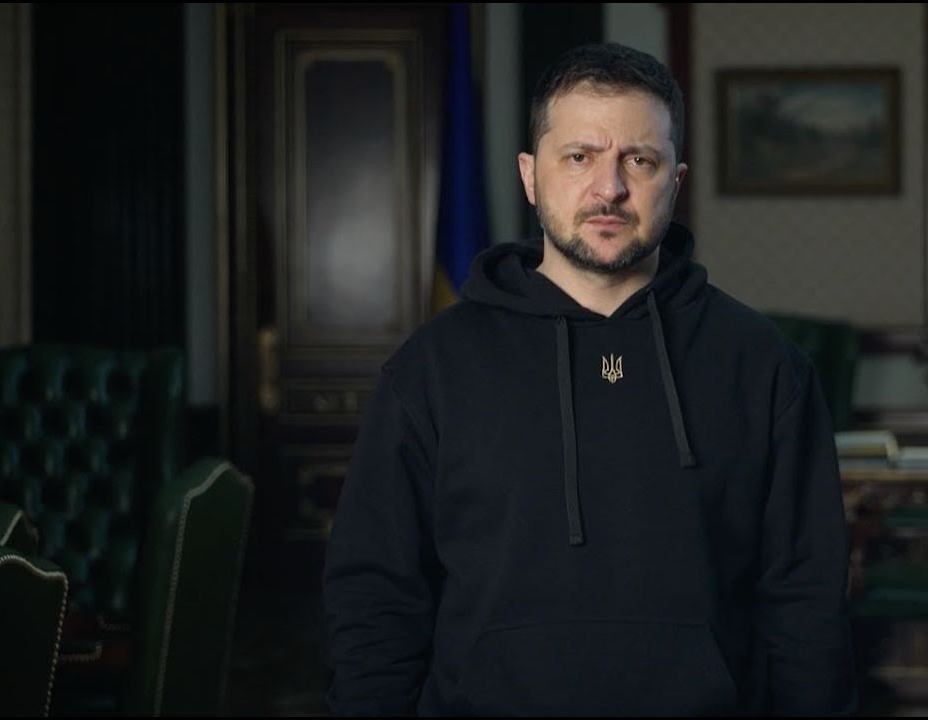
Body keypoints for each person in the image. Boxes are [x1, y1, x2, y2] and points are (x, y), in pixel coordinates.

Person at [323, 42, 856, 716]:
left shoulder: (765, 366)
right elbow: (375, 600)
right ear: (530, 176)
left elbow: (807, 606)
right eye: (579, 157)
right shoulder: (430, 369)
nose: (609, 188)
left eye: (639, 160)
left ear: (675, 181)